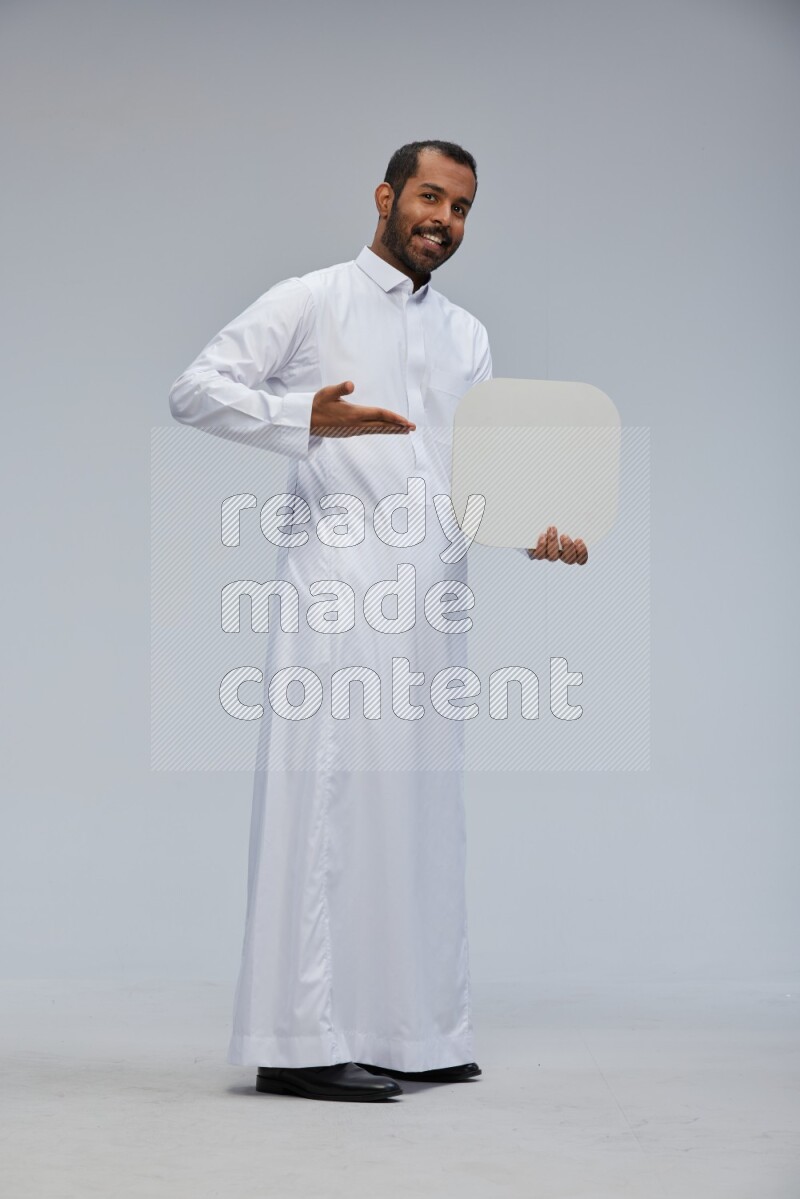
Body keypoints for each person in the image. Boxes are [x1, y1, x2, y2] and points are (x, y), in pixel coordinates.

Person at [168, 139, 588, 1103]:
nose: (443, 219)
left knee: (419, 812)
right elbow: (194, 390)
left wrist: (538, 531)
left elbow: (471, 482)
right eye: (429, 197)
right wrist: (304, 420)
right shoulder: (313, 300)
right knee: (324, 802)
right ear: (385, 196)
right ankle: (298, 1040)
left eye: (463, 207)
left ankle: (417, 1026)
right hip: (336, 587)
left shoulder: (468, 337)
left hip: (431, 600)